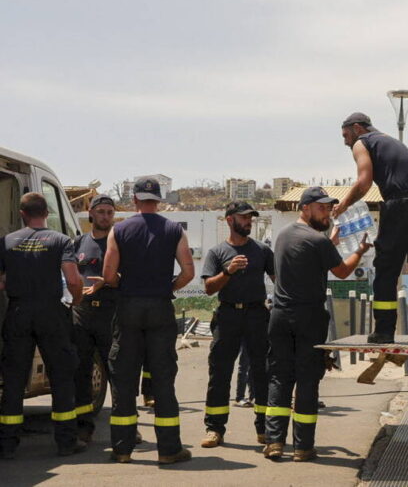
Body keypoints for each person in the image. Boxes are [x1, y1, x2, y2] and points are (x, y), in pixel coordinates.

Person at [263, 187, 371, 461]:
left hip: (280, 316)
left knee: (279, 377)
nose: (327, 213)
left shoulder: (284, 236)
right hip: (308, 317)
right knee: (308, 380)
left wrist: (329, 242)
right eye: (322, 208)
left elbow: (307, 256)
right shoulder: (318, 241)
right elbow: (343, 271)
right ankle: (303, 447)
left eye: (328, 208)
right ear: (306, 207)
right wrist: (359, 250)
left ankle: (275, 442)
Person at [103, 177, 194, 464]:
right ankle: (169, 451)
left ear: (135, 200)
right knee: (163, 379)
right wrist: (168, 288)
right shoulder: (174, 230)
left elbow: (108, 275)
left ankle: (122, 449)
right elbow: (188, 272)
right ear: (159, 200)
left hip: (129, 306)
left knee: (124, 379)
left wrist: (125, 287)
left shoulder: (118, 230)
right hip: (160, 307)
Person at [335, 112, 408, 344]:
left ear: (357, 128)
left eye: (346, 135)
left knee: (386, 269)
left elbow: (364, 182)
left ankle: (384, 331)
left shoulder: (362, 142)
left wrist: (342, 206)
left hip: (400, 204)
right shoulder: (390, 140)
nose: (346, 142)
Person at [0, 192, 85, 458]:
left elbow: (1, 282)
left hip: (18, 311)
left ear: (22, 213)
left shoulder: (7, 241)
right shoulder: (61, 240)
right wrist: (76, 301)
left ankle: (7, 444)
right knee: (61, 376)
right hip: (51, 313)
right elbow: (73, 279)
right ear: (46, 212)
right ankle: (66, 442)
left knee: (13, 379)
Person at [200, 201, 274, 449]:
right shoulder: (217, 253)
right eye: (244, 218)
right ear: (230, 220)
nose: (249, 221)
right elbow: (209, 288)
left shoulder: (262, 251)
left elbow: (279, 280)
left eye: (250, 218)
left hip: (256, 315)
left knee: (262, 372)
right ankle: (214, 429)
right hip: (228, 315)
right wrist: (228, 271)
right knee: (219, 374)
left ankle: (264, 429)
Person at [71, 194, 120, 443]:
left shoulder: (120, 243)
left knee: (117, 371)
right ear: (91, 213)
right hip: (82, 314)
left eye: (109, 212)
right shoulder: (78, 242)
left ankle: (125, 426)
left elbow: (131, 277)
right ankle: (83, 426)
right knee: (81, 370)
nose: (105, 216)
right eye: (101, 211)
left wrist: (111, 280)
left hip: (110, 314)